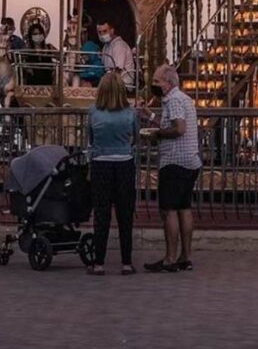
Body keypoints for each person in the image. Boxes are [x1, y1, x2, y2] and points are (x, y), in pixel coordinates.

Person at [142, 64, 201, 273]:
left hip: (175, 161)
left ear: (168, 82)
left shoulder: (173, 100)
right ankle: (186, 256)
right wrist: (150, 117)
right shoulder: (182, 99)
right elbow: (169, 122)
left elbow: (178, 128)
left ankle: (170, 257)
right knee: (184, 208)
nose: (154, 85)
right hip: (190, 161)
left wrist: (156, 135)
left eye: (157, 81)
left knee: (169, 210)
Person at [86, 72, 138, 275]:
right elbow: (134, 136)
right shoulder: (129, 113)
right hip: (124, 162)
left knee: (101, 214)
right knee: (125, 214)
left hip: (101, 163)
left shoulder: (93, 112)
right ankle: (126, 262)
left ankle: (99, 262)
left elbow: (90, 138)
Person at [97, 21, 136, 92]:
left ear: (112, 31)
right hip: (110, 81)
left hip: (123, 84)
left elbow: (117, 71)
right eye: (100, 32)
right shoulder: (106, 46)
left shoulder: (119, 45)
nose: (102, 34)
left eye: (105, 31)